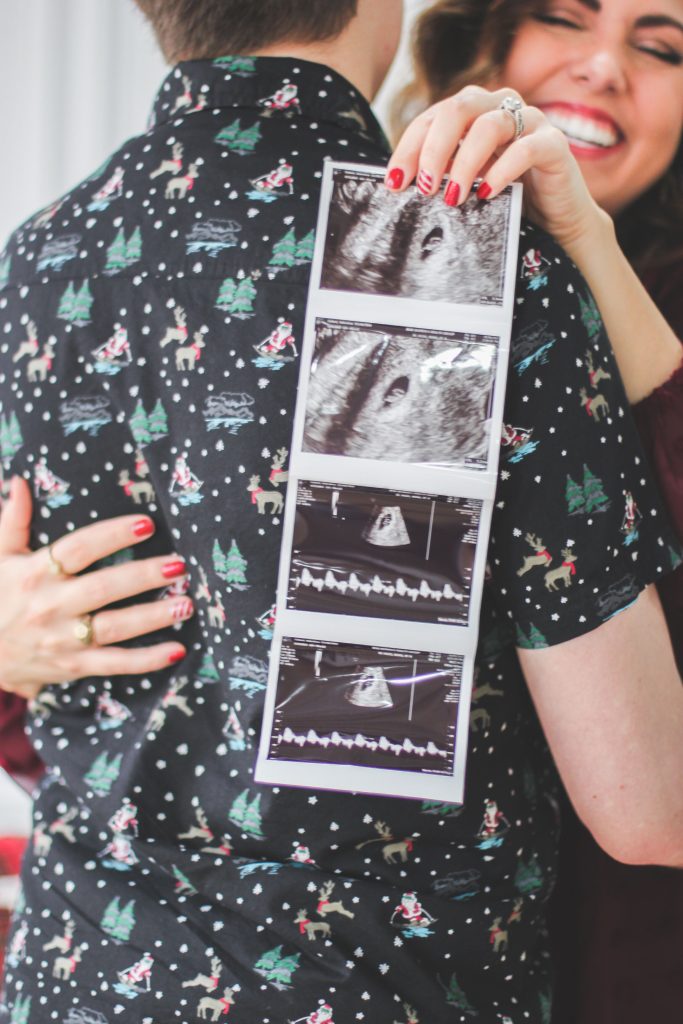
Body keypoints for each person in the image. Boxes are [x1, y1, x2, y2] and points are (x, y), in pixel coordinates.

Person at [0, 1, 682, 1021]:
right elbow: (643, 803)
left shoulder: (36, 262)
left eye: (660, 44)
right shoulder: (437, 256)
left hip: (70, 977)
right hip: (370, 986)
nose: (600, 69)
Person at [381, 1, 683, 1020]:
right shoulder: (344, 269)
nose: (602, 68)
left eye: (661, 48)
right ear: (483, 34)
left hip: (625, 951)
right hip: (391, 958)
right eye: (563, 17)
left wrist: (580, 239)